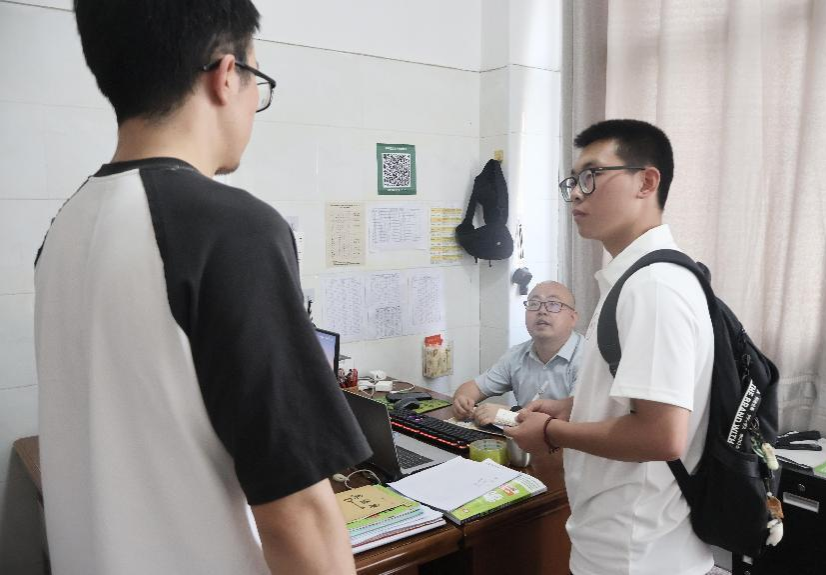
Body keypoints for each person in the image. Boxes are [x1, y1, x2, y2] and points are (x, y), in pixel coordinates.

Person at [34, 2, 371, 574]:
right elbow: (299, 514)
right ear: (226, 75)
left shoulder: (65, 226)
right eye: (257, 81)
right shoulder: (231, 229)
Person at [505, 119, 715, 575]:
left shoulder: (653, 287)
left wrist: (550, 433)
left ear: (646, 182)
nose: (576, 195)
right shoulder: (639, 278)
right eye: (572, 182)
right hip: (629, 540)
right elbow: (643, 401)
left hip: (635, 552)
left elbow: (662, 435)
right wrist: (574, 407)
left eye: (592, 176)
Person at [452, 281, 585, 426]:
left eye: (553, 304)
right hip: (524, 438)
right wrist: (462, 401)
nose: (542, 311)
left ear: (573, 318)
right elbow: (474, 387)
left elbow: (576, 418)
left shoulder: (588, 359)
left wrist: (506, 415)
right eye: (534, 304)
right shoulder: (517, 354)